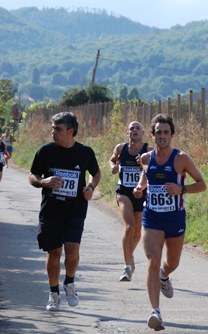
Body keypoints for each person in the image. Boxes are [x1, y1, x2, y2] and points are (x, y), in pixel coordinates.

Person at [133, 114, 206, 331]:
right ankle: (155, 312)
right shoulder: (145, 158)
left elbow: (201, 184)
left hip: (174, 217)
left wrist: (181, 189)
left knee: (171, 263)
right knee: (152, 262)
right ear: (153, 135)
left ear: (172, 135)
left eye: (166, 132)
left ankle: (165, 277)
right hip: (152, 216)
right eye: (158, 132)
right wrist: (140, 188)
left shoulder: (181, 158)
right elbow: (146, 176)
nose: (162, 136)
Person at [29, 112, 101, 312]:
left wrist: (90, 187)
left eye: (58, 129)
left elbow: (95, 173)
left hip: (75, 211)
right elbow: (32, 175)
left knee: (72, 250)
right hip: (51, 211)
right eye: (52, 128)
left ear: (71, 131)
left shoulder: (85, 152)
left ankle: (69, 282)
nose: (53, 132)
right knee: (54, 252)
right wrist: (44, 181)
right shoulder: (45, 151)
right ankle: (53, 294)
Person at [109, 121, 153, 282]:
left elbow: (154, 170)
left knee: (137, 232)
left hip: (141, 193)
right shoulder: (120, 148)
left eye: (137, 128)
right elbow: (113, 160)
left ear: (143, 132)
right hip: (124, 192)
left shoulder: (149, 151)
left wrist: (143, 164)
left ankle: (129, 255)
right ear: (128, 133)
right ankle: (127, 267)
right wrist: (113, 166)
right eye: (131, 129)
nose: (134, 130)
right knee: (130, 226)